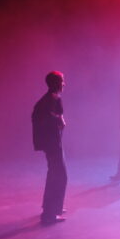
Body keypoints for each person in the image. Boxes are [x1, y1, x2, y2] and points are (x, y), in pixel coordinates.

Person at [33, 71, 68, 225]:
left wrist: (59, 119)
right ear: (55, 83)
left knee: (55, 174)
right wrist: (57, 121)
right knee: (59, 175)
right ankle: (50, 213)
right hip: (52, 144)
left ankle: (52, 208)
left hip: (54, 143)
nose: (64, 84)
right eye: (61, 81)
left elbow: (58, 116)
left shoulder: (53, 99)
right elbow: (42, 122)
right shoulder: (47, 101)